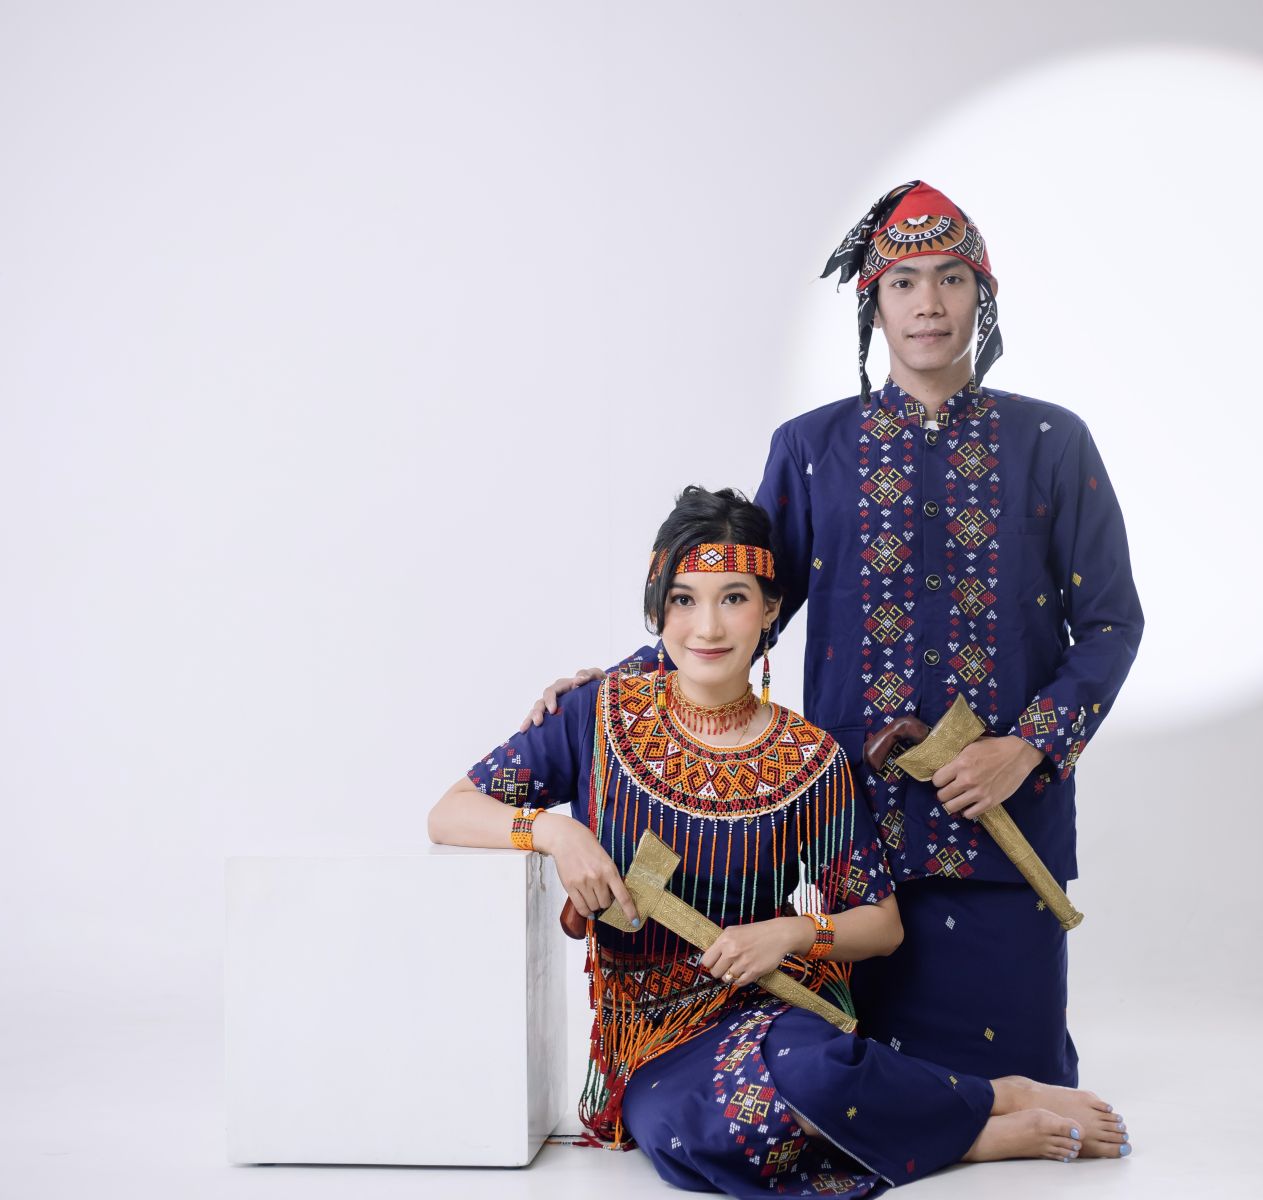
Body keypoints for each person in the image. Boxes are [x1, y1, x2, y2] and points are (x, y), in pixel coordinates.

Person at [527, 183, 1145, 1090]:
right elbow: (743, 608)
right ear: (873, 305)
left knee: (1026, 1088)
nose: (928, 303)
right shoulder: (813, 449)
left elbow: (1112, 623)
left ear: (983, 296)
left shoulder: (1053, 443)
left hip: (1005, 832)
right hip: (859, 850)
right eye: (903, 283)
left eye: (950, 279)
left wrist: (1025, 749)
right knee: (857, 1090)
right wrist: (618, 680)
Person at [434, 486, 1128, 1198]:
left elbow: (882, 926)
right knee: (697, 1134)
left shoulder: (810, 759)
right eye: (683, 599)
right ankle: (978, 1125)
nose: (707, 626)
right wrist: (554, 830)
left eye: (733, 598)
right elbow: (451, 812)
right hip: (649, 1042)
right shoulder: (596, 714)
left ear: (770, 609)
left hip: (768, 1013)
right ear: (657, 608)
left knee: (814, 1073)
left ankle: (998, 1100)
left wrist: (790, 934)